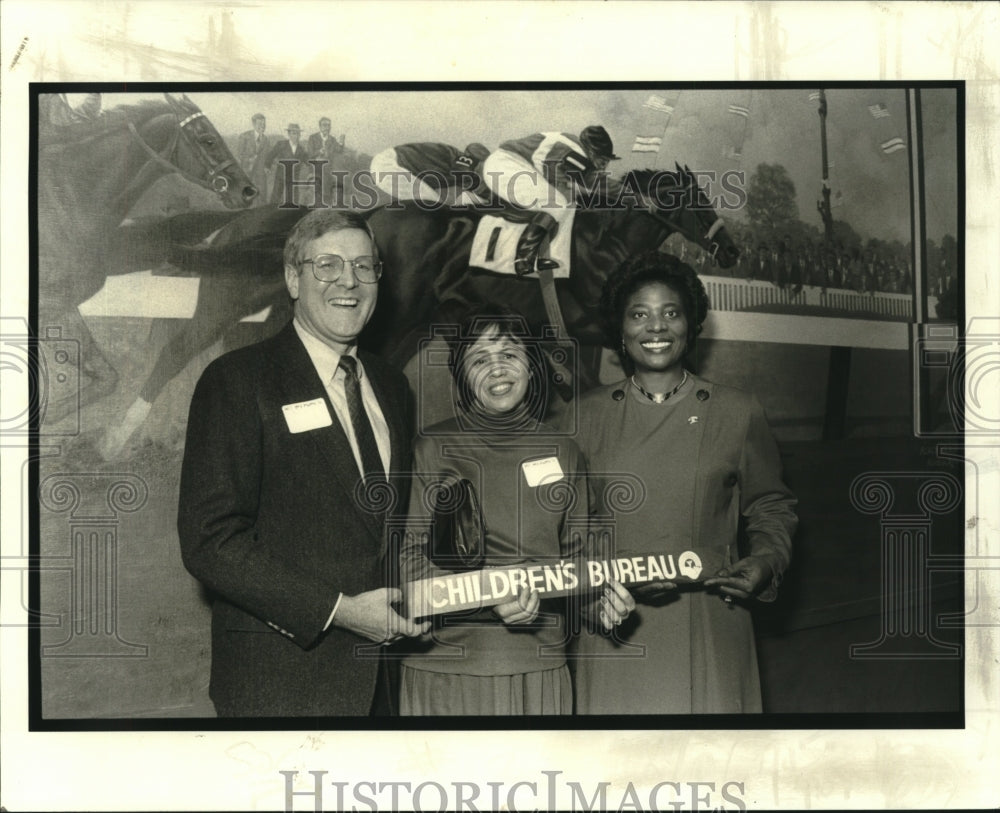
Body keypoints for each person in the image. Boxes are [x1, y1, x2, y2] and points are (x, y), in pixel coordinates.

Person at [177, 208, 429, 717]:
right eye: (328, 266)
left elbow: (391, 533)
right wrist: (339, 611)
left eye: (364, 266)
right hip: (279, 680)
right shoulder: (238, 380)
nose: (349, 282)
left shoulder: (392, 385)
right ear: (293, 278)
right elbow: (210, 541)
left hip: (380, 681)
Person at [567, 251, 797, 714]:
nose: (656, 327)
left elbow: (771, 505)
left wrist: (766, 560)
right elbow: (562, 530)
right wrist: (596, 589)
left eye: (670, 313)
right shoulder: (579, 418)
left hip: (712, 621)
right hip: (614, 620)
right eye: (639, 314)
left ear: (692, 325)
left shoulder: (737, 411)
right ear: (620, 327)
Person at [397, 304, 633, 715]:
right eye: (479, 359)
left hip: (540, 669)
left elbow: (577, 561)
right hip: (448, 671)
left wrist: (601, 606)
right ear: (461, 375)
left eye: (509, 354)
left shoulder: (565, 452)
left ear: (531, 363)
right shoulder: (432, 448)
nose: (497, 369)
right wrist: (489, 594)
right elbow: (407, 562)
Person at [481, 125, 619, 275]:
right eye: (603, 162)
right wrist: (640, 200)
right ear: (592, 152)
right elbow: (598, 183)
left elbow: (563, 184)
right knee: (556, 203)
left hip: (517, 165)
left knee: (564, 204)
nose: (603, 169)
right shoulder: (574, 153)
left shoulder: (570, 148)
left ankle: (542, 254)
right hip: (505, 166)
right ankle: (523, 259)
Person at [369, 142, 492, 206]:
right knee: (435, 207)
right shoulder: (465, 161)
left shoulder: (456, 157)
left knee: (436, 205)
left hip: (388, 162)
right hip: (390, 165)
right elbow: (474, 189)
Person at [266, 122, 310, 204]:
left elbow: (308, 161)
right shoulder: (281, 144)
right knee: (275, 199)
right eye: (294, 133)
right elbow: (271, 155)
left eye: (298, 134)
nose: (296, 136)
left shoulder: (301, 149)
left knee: (294, 201)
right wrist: (267, 166)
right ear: (289, 134)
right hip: (280, 177)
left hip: (293, 179)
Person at [236, 113, 271, 207]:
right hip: (247, 173)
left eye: (264, 124)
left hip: (261, 175)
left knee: (262, 198)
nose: (262, 126)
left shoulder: (266, 140)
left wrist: (268, 166)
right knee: (246, 198)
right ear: (253, 124)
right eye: (260, 124)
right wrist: (249, 160)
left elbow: (268, 157)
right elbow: (239, 155)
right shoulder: (244, 137)